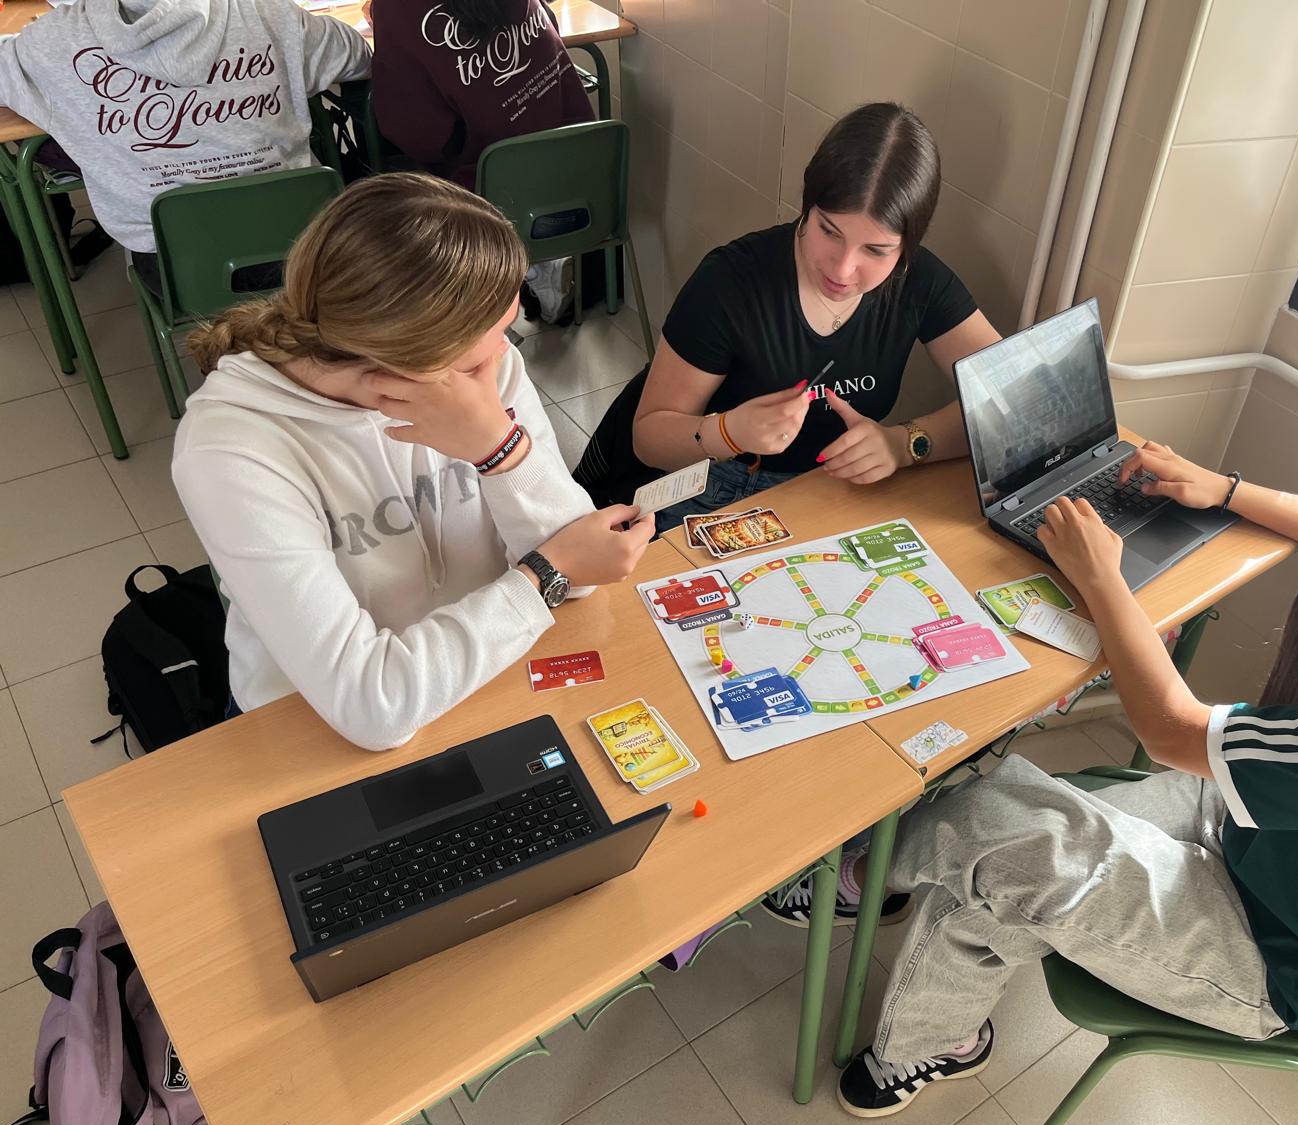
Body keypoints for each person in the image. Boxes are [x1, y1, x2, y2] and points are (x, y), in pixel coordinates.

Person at [769, 392, 1298, 1117]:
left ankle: (870, 893)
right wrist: (1223, 488)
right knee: (1000, 844)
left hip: (1274, 955)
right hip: (1272, 849)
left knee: (979, 819)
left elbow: (1170, 732)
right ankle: (919, 972)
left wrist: (1101, 578)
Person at [173, 173, 654, 751]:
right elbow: (371, 708)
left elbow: (582, 571)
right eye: (491, 337)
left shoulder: (484, 370)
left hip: (485, 675)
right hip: (313, 733)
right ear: (404, 361)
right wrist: (543, 576)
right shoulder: (230, 449)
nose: (507, 350)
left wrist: (500, 451)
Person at [574, 102, 1003, 525]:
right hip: (713, 483)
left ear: (907, 247)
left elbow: (1008, 398)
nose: (842, 269)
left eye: (875, 251)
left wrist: (905, 444)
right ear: (807, 206)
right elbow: (648, 438)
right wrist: (729, 432)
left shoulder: (919, 280)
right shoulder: (731, 281)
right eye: (829, 231)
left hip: (830, 489)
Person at [0, 0, 371, 295]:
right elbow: (358, 56)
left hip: (179, 274)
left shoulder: (50, 43)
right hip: (307, 247)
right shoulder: (273, 13)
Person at [368, 0, 594, 321]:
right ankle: (536, 261)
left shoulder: (398, 9)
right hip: (580, 173)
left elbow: (415, 132)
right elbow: (552, 25)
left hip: (489, 205)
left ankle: (496, 281)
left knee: (392, 168)